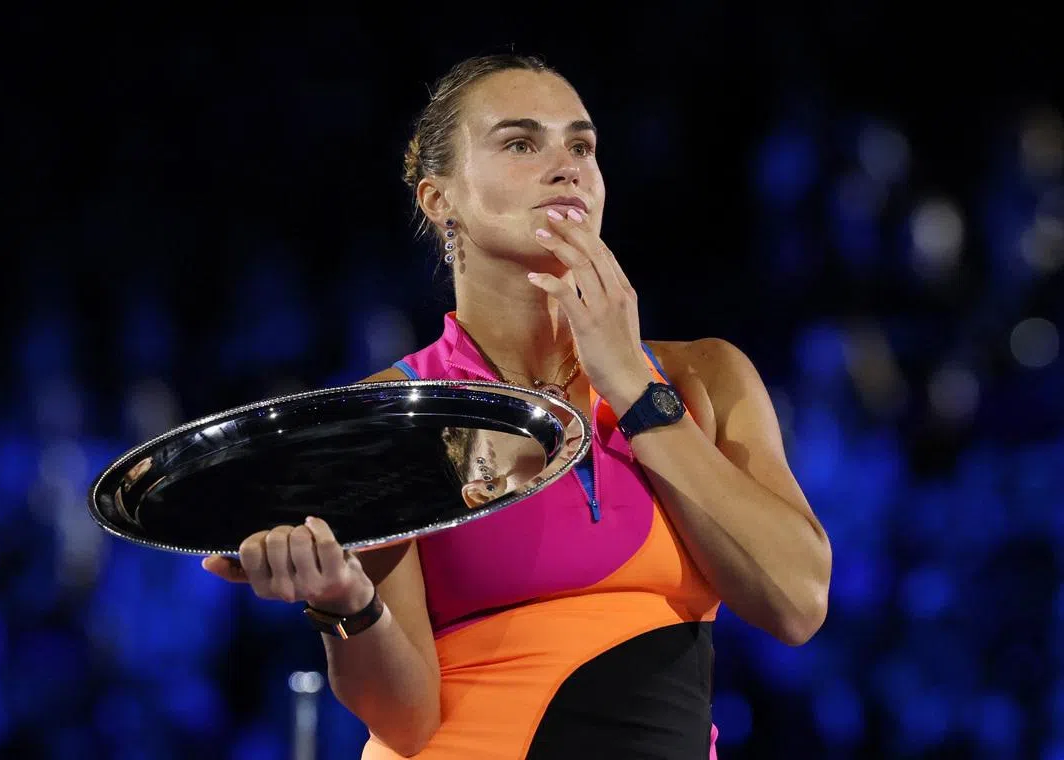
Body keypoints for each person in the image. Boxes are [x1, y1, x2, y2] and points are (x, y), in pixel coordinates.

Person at [201, 52, 832, 759]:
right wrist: (344, 604)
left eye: (581, 146)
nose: (566, 168)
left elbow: (797, 601)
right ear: (438, 199)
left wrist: (633, 387)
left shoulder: (703, 377)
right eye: (521, 143)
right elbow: (405, 719)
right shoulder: (394, 414)